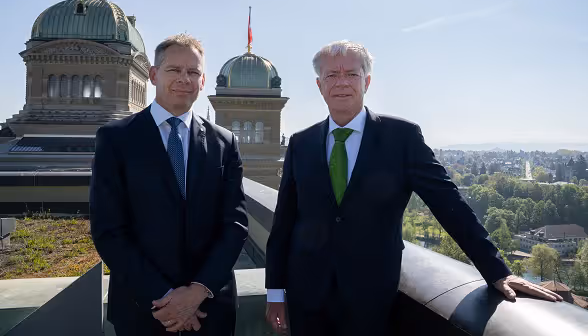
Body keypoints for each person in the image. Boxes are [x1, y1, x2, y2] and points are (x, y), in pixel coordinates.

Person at [264, 40, 562, 336]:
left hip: (371, 298)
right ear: (319, 85)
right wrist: (275, 292)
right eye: (332, 75)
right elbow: (284, 223)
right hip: (306, 295)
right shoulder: (301, 144)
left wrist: (496, 270)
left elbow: (448, 203)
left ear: (367, 81)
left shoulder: (401, 138)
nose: (341, 82)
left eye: (351, 74)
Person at [90, 34, 248, 335]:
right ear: (153, 75)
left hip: (210, 309)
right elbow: (109, 229)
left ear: (202, 82)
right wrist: (165, 298)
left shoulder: (225, 142)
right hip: (144, 310)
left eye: (193, 72)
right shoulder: (115, 139)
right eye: (174, 70)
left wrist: (198, 291)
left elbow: (235, 224)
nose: (184, 79)